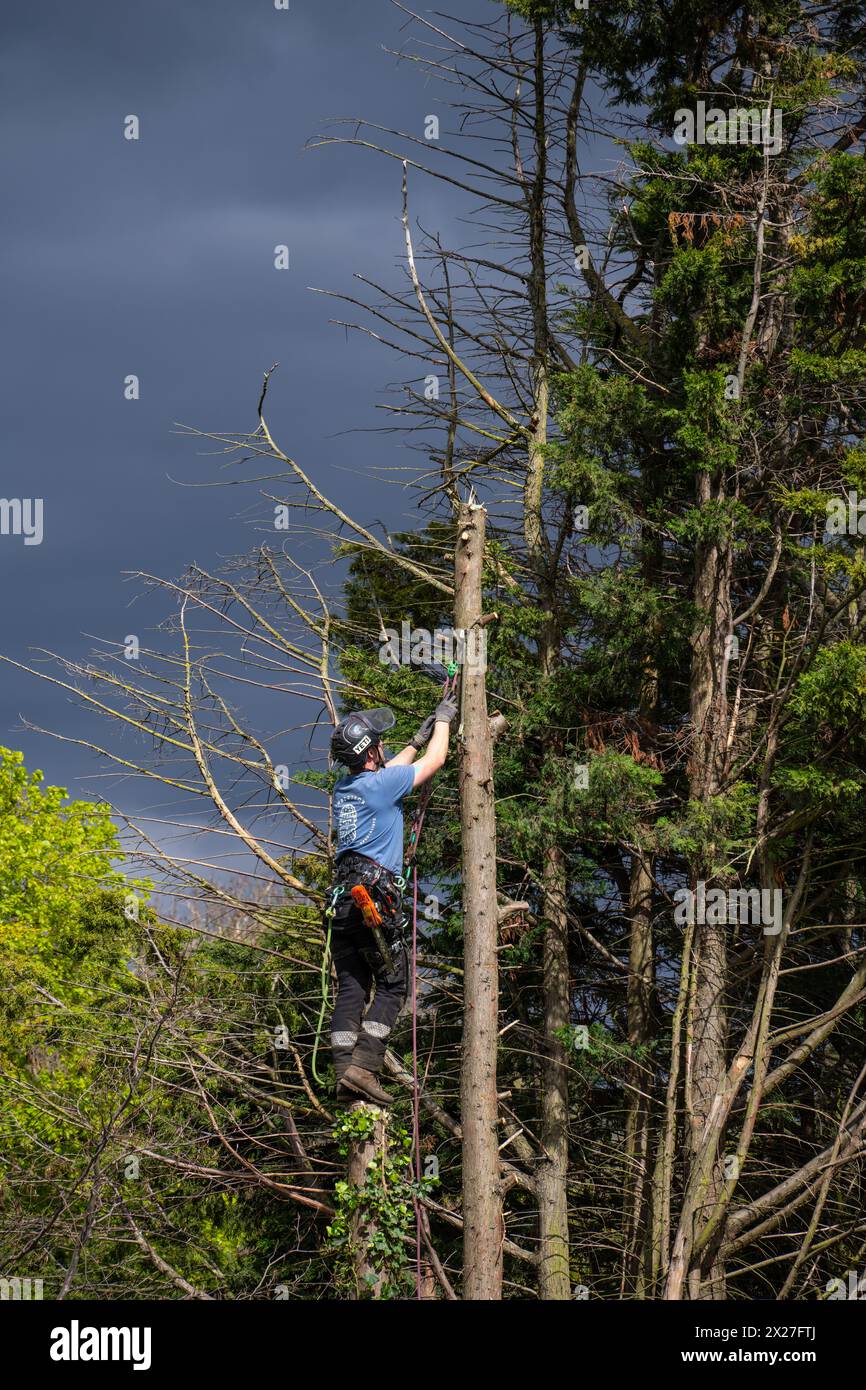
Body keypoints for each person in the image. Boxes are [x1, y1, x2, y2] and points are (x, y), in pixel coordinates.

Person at [326, 696, 458, 1105]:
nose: (384, 749)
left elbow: (392, 772)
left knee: (352, 987)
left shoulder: (344, 789)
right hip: (371, 902)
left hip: (341, 905)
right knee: (394, 984)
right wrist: (443, 721)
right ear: (371, 754)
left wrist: (415, 741)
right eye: (378, 745)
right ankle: (365, 1067)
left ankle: (343, 1071)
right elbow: (437, 760)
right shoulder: (382, 786)